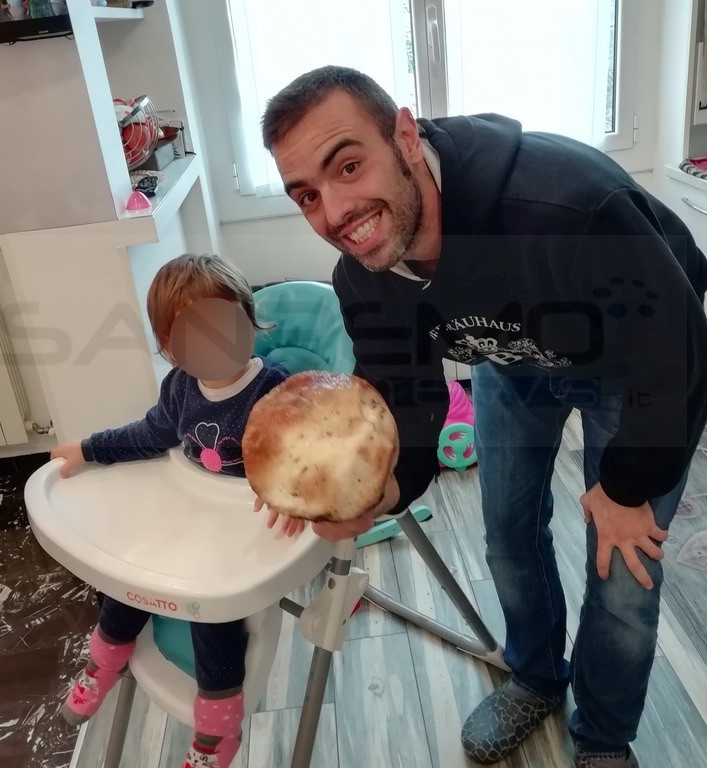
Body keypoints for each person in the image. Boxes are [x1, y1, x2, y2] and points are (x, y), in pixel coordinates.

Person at [258, 66, 707, 768]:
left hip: (633, 363)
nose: (335, 211)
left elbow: (678, 352)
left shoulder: (565, 207)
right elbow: (404, 403)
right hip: (514, 356)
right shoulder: (364, 279)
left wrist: (627, 486)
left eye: (348, 166)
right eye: (307, 195)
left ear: (405, 137)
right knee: (507, 535)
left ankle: (602, 738)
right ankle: (535, 675)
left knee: (622, 574)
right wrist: (376, 493)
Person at [51, 253, 303, 768]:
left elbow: (308, 452)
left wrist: (296, 492)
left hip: (243, 530)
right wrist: (89, 449)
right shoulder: (180, 389)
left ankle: (217, 731)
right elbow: (150, 435)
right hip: (188, 513)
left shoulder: (274, 390)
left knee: (208, 611)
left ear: (249, 320)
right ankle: (103, 664)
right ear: (170, 348)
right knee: (126, 576)